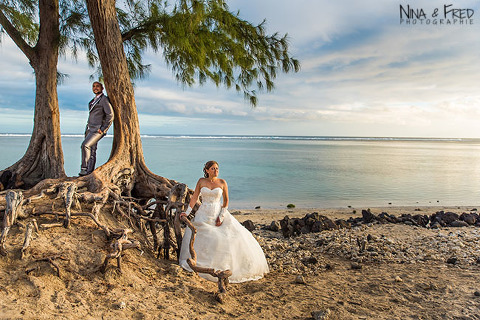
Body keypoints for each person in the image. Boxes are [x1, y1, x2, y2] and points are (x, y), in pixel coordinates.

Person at [179, 161, 269, 283]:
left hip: (217, 213)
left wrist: (221, 217)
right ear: (206, 170)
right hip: (203, 214)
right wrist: (187, 212)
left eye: (217, 168)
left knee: (224, 237)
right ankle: (198, 263)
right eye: (213, 168)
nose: (216, 170)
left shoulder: (222, 182)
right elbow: (194, 198)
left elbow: (226, 202)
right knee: (200, 235)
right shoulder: (201, 181)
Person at [79, 81, 114, 176]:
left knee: (85, 145)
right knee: (92, 150)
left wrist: (103, 129)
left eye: (97, 86)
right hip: (89, 129)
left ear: (102, 88)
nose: (95, 88)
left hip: (97, 130)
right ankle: (89, 172)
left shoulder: (104, 100)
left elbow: (110, 115)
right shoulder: (92, 101)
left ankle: (84, 169)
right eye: (93, 86)